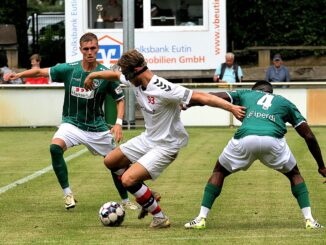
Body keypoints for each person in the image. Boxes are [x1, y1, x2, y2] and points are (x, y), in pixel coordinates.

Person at [83, 49, 246, 228]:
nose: (125, 78)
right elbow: (114, 75)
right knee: (110, 161)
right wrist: (93, 75)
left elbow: (202, 97)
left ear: (136, 71)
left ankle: (160, 217)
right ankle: (146, 194)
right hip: (148, 138)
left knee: (128, 180)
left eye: (127, 75)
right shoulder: (135, 79)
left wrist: (231, 108)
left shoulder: (163, 88)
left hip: (166, 146)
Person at [8, 32, 138, 211]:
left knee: (117, 166)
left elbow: (120, 99)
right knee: (54, 148)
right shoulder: (70, 69)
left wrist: (118, 123)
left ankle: (125, 200)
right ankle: (68, 193)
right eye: (86, 49)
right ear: (81, 50)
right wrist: (18, 75)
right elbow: (40, 71)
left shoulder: (104, 73)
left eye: (93, 48)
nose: (89, 52)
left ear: (98, 48)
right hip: (72, 124)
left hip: (97, 128)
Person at [184, 81, 326, 230]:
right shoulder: (285, 102)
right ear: (270, 92)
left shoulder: (245, 93)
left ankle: (201, 218)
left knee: (219, 171)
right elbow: (309, 136)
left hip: (246, 138)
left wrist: (190, 103)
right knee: (294, 174)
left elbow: (211, 96)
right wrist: (321, 166)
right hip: (273, 142)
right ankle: (309, 220)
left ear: (255, 90)